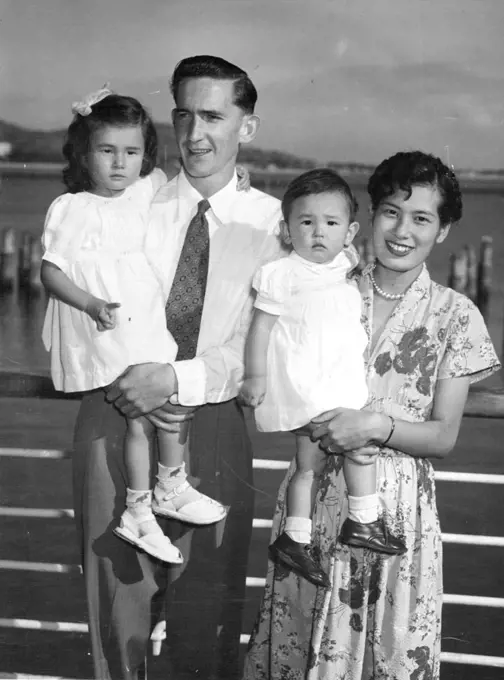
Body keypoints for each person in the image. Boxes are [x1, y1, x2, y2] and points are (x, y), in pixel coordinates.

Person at [244, 150, 500, 679]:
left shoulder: (456, 314)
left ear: (444, 230)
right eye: (391, 211)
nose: (402, 230)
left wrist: (374, 426)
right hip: (311, 502)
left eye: (422, 218)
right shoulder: (328, 282)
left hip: (396, 511)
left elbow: (443, 437)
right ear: (370, 217)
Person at [71, 56, 283, 680]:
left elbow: (259, 349)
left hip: (211, 421)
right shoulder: (132, 201)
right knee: (117, 616)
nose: (195, 133)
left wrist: (173, 379)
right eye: (184, 114)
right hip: (116, 415)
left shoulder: (277, 225)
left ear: (247, 127)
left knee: (206, 622)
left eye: (214, 116)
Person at [41, 86, 231, 567]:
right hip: (109, 320)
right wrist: (89, 303)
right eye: (107, 151)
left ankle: (160, 491)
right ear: (84, 154)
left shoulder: (145, 189)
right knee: (144, 413)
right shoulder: (73, 208)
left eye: (131, 152)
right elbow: (51, 271)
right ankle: (145, 503)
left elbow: (191, 184)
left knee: (160, 404)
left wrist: (236, 177)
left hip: (144, 319)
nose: (120, 164)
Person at [239, 169, 406, 590]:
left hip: (333, 376)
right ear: (286, 229)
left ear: (349, 232)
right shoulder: (282, 273)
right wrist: (255, 376)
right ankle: (364, 519)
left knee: (306, 465)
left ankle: (295, 537)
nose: (318, 233)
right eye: (306, 222)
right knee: (360, 446)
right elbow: (259, 329)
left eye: (330, 224)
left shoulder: (345, 262)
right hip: (310, 382)